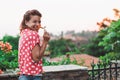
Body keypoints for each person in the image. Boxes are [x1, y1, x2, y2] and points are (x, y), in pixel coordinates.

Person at [18, 9, 50, 80]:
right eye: (34, 21)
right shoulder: (34, 34)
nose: (38, 24)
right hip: (33, 76)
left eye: (39, 22)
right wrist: (45, 41)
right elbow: (36, 58)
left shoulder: (23, 33)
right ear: (26, 22)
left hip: (23, 74)